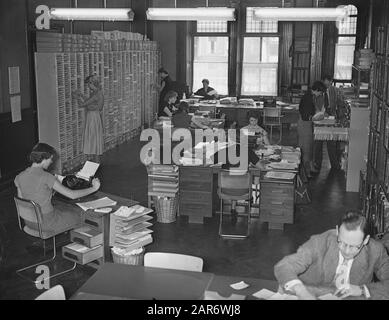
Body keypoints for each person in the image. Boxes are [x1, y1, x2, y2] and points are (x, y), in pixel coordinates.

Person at [274, 211, 389, 300]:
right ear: (337, 231)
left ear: (366, 240)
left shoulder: (376, 250)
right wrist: (300, 290)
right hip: (312, 293)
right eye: (342, 243)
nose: (347, 251)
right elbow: (284, 266)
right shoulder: (320, 242)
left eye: (354, 246)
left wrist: (362, 290)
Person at [14, 143, 101, 234]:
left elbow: (23, 201)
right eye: (51, 159)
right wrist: (94, 188)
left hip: (29, 222)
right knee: (80, 215)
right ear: (44, 158)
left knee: (63, 210)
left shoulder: (19, 176)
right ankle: (79, 244)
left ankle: (67, 233)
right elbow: (72, 195)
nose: (51, 162)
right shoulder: (46, 177)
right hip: (47, 223)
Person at [312, 75, 346, 172]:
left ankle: (335, 165)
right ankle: (317, 164)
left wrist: (338, 116)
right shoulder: (318, 92)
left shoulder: (335, 90)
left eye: (328, 83)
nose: (327, 85)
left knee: (332, 143)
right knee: (318, 144)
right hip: (319, 120)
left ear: (331, 82)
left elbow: (340, 103)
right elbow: (315, 105)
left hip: (332, 119)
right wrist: (320, 113)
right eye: (325, 83)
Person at [297, 81, 325, 178]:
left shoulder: (311, 96)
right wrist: (316, 117)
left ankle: (308, 169)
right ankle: (305, 173)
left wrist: (318, 112)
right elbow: (305, 116)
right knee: (306, 148)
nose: (320, 94)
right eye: (320, 92)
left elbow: (314, 109)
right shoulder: (308, 98)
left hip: (307, 124)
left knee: (310, 147)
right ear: (316, 90)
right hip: (304, 124)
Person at [75, 75, 104, 163]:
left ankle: (95, 165)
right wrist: (81, 95)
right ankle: (95, 164)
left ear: (93, 83)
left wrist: (76, 97)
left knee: (93, 139)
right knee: (95, 140)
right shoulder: (97, 92)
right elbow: (89, 101)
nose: (88, 86)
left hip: (93, 118)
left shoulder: (96, 94)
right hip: (94, 116)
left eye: (88, 84)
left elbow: (83, 104)